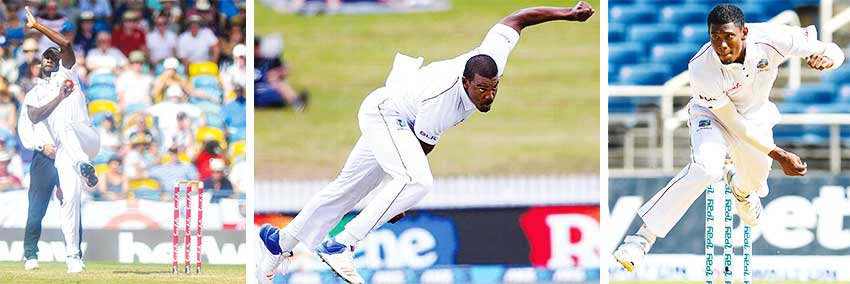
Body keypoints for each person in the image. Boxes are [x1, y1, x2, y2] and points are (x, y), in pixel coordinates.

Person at [254, 2, 595, 283]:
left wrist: (567, 14)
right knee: (418, 181)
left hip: (398, 115)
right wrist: (396, 203)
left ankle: (278, 242)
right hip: (385, 115)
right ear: (465, 81)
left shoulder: (492, 59)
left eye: (494, 87)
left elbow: (516, 19)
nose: (489, 94)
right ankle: (340, 245)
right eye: (481, 89)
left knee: (346, 190)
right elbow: (419, 150)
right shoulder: (442, 98)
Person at [613, 4, 845, 272]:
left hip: (756, 116)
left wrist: (829, 60)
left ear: (744, 32)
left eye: (728, 37)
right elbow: (732, 123)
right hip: (712, 116)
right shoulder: (702, 67)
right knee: (707, 168)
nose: (721, 46)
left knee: (754, 183)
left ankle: (742, 190)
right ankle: (641, 240)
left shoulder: (773, 38)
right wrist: (779, 153)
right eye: (715, 38)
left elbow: (832, 50)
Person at [22, 6, 102, 273]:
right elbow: (33, 117)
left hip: (86, 138)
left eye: (52, 56)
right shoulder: (37, 93)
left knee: (67, 128)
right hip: (64, 154)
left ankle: (82, 165)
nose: (49, 59)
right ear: (39, 65)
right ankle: (73, 258)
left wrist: (38, 27)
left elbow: (66, 43)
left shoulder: (68, 75)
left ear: (59, 62)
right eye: (45, 57)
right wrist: (58, 99)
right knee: (70, 198)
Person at [18, 73, 60, 270]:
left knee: (72, 206)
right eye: (47, 59)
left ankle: (74, 255)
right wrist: (41, 146)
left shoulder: (73, 93)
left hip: (66, 157)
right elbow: (25, 127)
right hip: (43, 158)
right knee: (36, 210)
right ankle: (30, 254)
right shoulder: (34, 94)